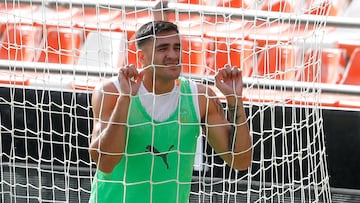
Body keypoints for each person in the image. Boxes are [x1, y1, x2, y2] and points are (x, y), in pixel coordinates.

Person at [88, 21, 252, 203]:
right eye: (163, 49)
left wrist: (235, 100)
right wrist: (125, 99)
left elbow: (240, 161)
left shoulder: (200, 97)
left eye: (177, 47)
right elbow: (106, 163)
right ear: (142, 57)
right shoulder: (111, 92)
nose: (173, 55)